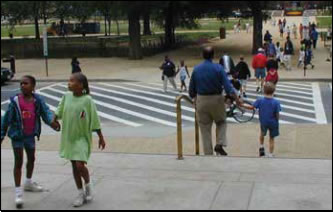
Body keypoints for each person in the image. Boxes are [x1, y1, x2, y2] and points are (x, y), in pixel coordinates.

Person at [1, 76, 60, 209]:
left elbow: (46, 113)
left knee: (32, 159)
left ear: (33, 86)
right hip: (17, 136)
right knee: (19, 161)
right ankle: (18, 192)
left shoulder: (37, 100)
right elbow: (6, 119)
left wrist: (52, 123)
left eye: (26, 83)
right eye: (21, 83)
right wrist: (1, 135)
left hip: (30, 136)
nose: (22, 85)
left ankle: (28, 182)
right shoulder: (15, 101)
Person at [53, 73, 106, 208]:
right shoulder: (66, 96)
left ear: (81, 85)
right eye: (68, 80)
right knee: (74, 167)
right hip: (69, 137)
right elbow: (59, 111)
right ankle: (79, 193)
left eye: (72, 81)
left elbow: (94, 118)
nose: (68, 83)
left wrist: (100, 136)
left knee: (80, 165)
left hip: (82, 138)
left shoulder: (87, 100)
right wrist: (54, 120)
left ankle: (88, 185)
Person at [189, 46, 242, 156]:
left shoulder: (196, 69)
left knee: (204, 128)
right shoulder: (218, 68)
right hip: (217, 99)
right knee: (221, 121)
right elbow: (228, 87)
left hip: (201, 100)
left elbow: (191, 90)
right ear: (213, 56)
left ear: (202, 56)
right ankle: (220, 143)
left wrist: (194, 98)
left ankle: (208, 154)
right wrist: (237, 99)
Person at [243, 82, 281, 158]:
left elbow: (252, 107)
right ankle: (270, 154)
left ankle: (261, 146)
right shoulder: (276, 102)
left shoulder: (260, 100)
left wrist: (242, 105)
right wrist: (277, 120)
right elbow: (277, 114)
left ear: (263, 90)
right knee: (271, 138)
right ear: (274, 91)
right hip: (273, 122)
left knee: (262, 134)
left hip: (263, 122)